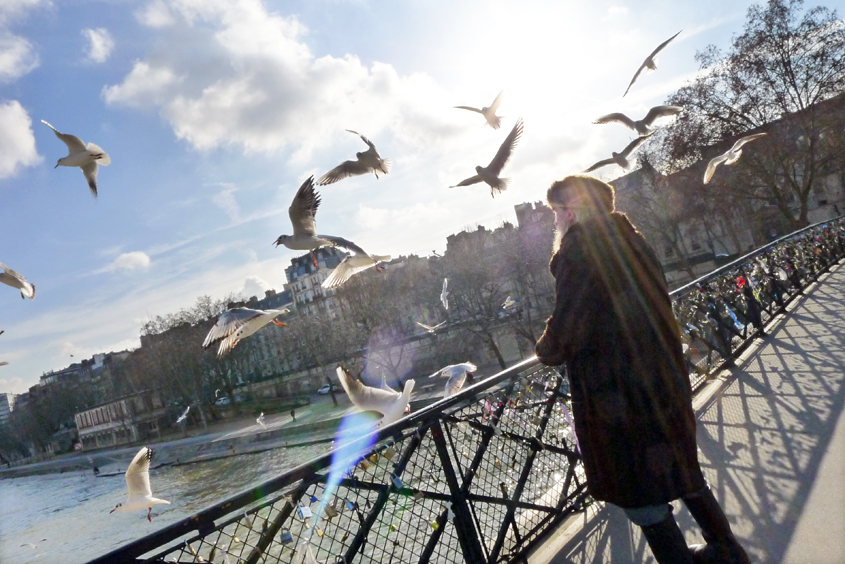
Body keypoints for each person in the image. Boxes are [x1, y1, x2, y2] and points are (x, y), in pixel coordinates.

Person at [535, 175, 749, 564]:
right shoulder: (634, 239)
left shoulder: (580, 249)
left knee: (640, 493)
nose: (555, 222)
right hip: (662, 378)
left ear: (571, 211)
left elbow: (566, 330)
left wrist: (544, 348)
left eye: (555, 213)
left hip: (620, 395)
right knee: (683, 471)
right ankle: (728, 552)